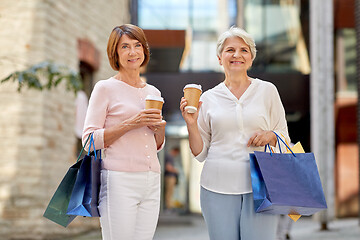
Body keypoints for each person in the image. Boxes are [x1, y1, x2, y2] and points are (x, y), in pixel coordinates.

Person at [180, 26, 290, 240]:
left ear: (251, 58)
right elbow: (200, 153)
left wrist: (271, 135)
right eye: (230, 50)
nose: (237, 55)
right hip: (216, 187)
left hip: (263, 186)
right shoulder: (208, 98)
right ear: (220, 58)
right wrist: (191, 124)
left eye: (244, 50)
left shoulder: (268, 91)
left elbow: (284, 136)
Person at [82, 24, 166, 240]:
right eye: (125, 47)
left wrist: (159, 131)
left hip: (151, 179)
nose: (133, 52)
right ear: (115, 53)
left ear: (144, 51)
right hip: (119, 180)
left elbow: (156, 145)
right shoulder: (104, 88)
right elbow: (89, 141)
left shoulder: (153, 92)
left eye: (138, 45)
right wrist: (131, 123)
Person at [164, 147, 180, 211]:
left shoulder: (169, 156)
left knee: (170, 192)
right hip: (170, 177)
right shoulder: (170, 157)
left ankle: (169, 206)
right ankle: (169, 207)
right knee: (169, 192)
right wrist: (175, 170)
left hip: (169, 177)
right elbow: (168, 167)